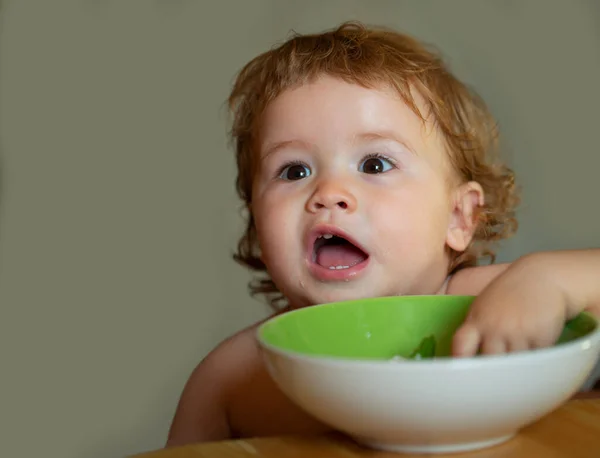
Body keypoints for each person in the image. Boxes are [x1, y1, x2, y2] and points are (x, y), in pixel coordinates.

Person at [166, 21, 600, 446]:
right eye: (294, 170)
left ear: (459, 218)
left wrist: (547, 280)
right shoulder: (230, 378)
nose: (329, 193)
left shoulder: (484, 305)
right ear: (257, 224)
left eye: (374, 164)